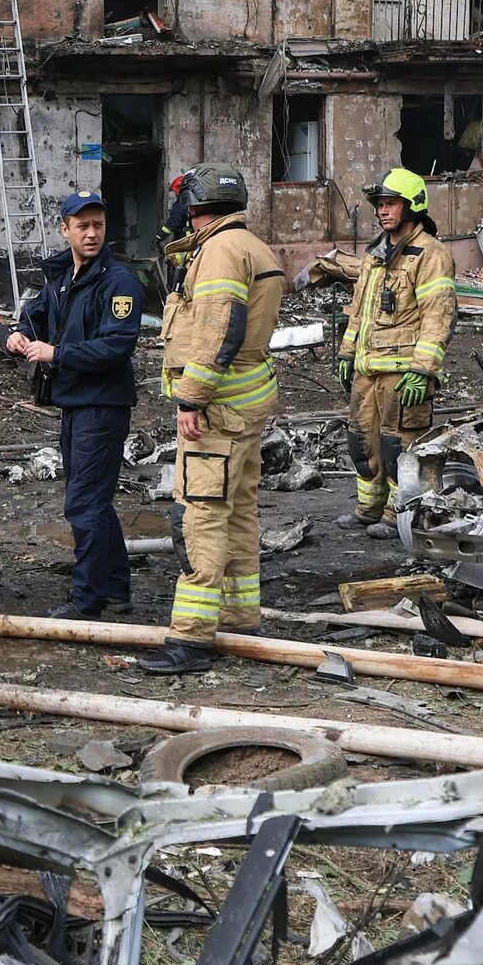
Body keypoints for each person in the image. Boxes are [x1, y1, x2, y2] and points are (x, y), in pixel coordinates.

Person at [138, 165, 284, 676]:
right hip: (246, 403)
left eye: (185, 205)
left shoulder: (220, 251)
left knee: (199, 515)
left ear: (196, 206)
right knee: (238, 509)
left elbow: (220, 326)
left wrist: (191, 399)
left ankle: (191, 639)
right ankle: (241, 616)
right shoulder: (251, 245)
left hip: (217, 410)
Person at [8, 191, 144, 618]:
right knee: (94, 501)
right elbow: (34, 316)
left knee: (83, 503)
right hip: (76, 404)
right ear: (65, 229)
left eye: (98, 225)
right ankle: (117, 587)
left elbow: (116, 346)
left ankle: (87, 600)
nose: (91, 233)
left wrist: (57, 354)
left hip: (102, 407)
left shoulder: (118, 282)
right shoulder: (64, 278)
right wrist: (13, 335)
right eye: (82, 225)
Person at [335, 167, 457, 537]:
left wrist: (424, 370)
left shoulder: (431, 255)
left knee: (398, 444)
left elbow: (439, 315)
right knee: (361, 439)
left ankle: (397, 512)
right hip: (367, 366)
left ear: (412, 207)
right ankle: (369, 507)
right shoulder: (375, 255)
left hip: (404, 373)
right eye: (380, 205)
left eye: (391, 204)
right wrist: (346, 352)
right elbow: (360, 308)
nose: (383, 211)